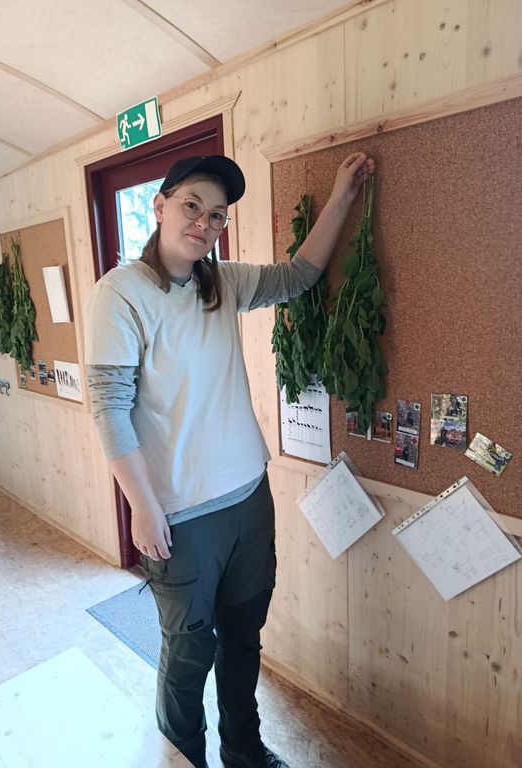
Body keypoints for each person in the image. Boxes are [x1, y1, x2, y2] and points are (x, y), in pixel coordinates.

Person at [84, 151, 375, 768]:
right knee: (188, 655)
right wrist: (142, 507)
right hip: (181, 517)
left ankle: (244, 751)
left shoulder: (223, 282)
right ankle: (183, 757)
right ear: (159, 206)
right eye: (192, 206)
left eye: (217, 215)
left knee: (243, 641)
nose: (204, 223)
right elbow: (109, 407)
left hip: (248, 500)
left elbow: (298, 276)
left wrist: (343, 197)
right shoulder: (120, 293)